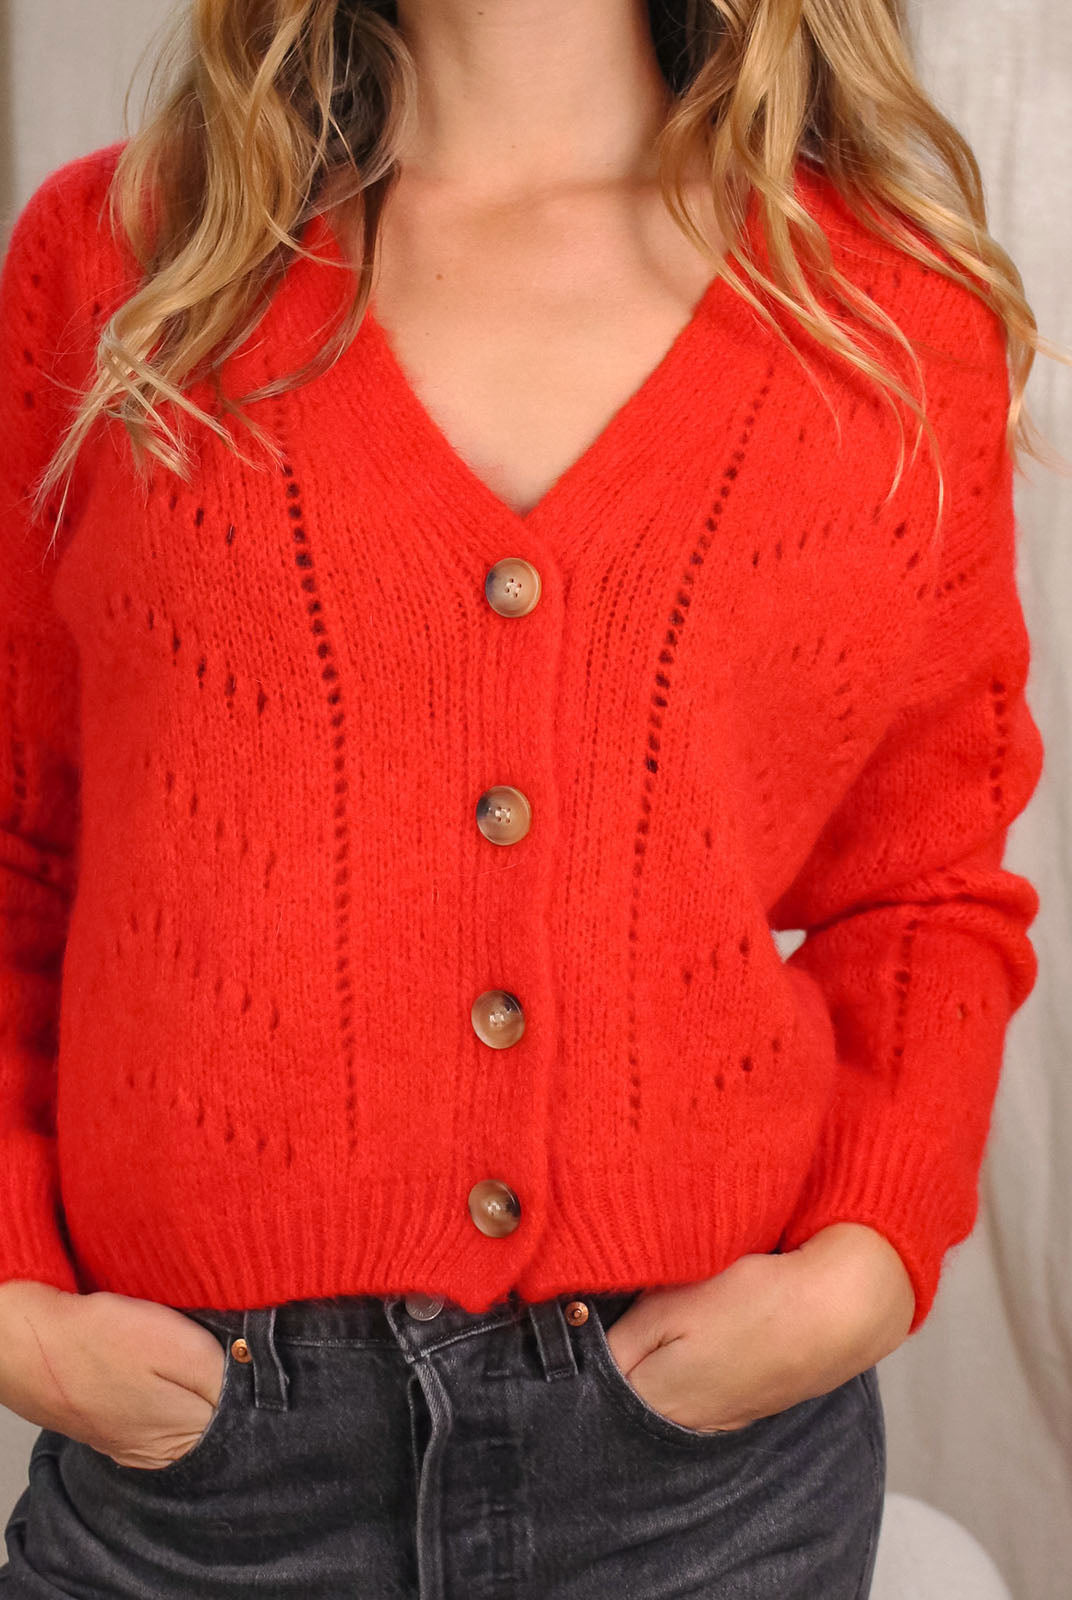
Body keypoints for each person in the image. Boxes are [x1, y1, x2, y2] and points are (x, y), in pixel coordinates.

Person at [0, 1, 1059, 1595]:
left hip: (698, 1478)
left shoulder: (886, 316)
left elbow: (924, 888)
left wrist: (862, 1269)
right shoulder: (123, 262)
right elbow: (17, 836)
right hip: (197, 1470)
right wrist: (13, 1296)